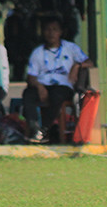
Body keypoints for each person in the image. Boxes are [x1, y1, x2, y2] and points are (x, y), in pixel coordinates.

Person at [21, 13, 92, 143]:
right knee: (28, 94)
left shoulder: (71, 48)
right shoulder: (37, 52)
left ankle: (44, 130)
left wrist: (77, 65)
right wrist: (39, 86)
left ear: (61, 32)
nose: (51, 33)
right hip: (42, 84)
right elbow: (31, 77)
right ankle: (33, 127)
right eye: (48, 29)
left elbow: (90, 63)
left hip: (63, 86)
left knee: (57, 96)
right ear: (42, 32)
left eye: (54, 29)